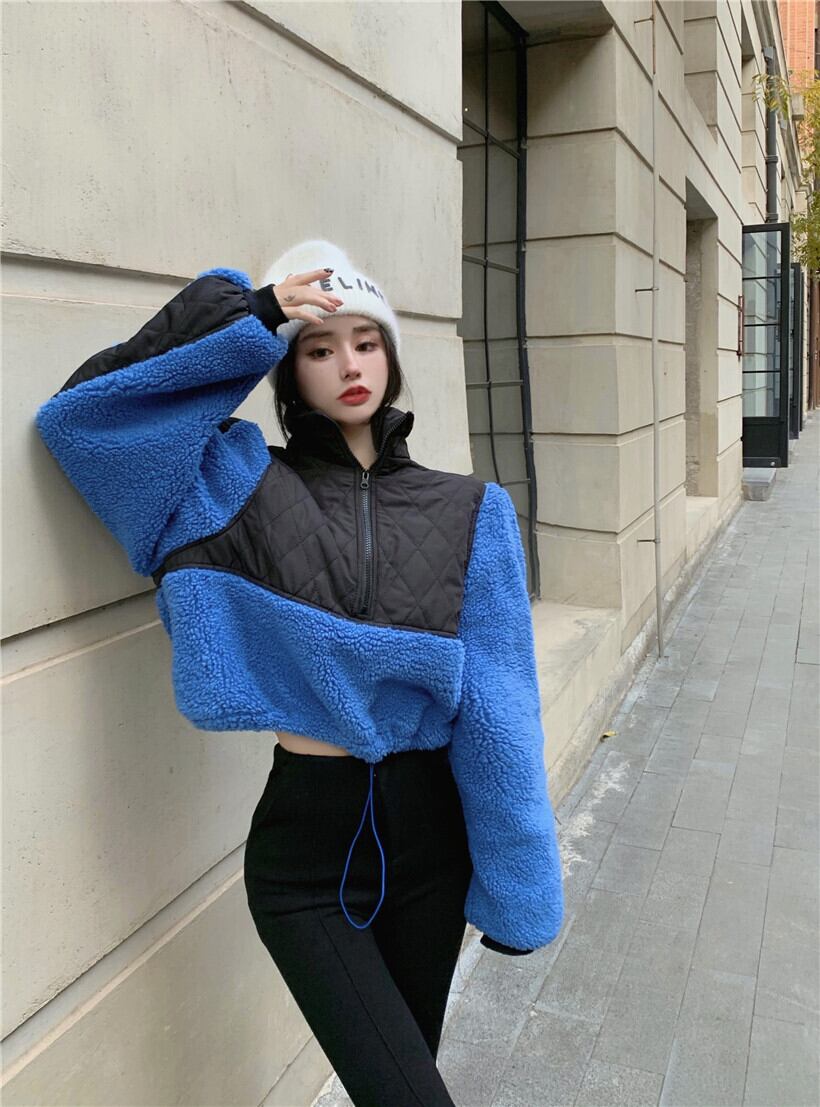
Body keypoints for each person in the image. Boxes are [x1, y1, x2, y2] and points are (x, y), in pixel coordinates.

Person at [34, 239, 564, 1107]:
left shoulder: (472, 509)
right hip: (306, 854)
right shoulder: (230, 486)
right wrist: (253, 315)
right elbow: (84, 424)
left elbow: (501, 706)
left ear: (390, 357)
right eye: (319, 347)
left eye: (367, 340)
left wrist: (519, 880)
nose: (349, 364)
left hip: (431, 843)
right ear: (288, 370)